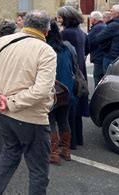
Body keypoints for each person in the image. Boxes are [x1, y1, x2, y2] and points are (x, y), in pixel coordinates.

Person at [0, 11, 56, 194]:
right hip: (31, 118)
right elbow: (42, 90)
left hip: (3, 114)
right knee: (38, 170)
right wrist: (7, 100)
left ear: (23, 25)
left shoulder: (2, 41)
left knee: (8, 155)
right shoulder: (46, 51)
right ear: (46, 30)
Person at [57, 6, 89, 149]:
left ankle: (71, 142)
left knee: (69, 111)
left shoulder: (66, 33)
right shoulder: (80, 32)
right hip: (80, 71)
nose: (58, 20)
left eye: (60, 17)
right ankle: (78, 138)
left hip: (72, 73)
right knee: (76, 110)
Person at [46, 20, 75, 165]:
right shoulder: (67, 47)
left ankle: (53, 154)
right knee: (63, 120)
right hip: (67, 90)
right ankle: (66, 150)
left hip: (52, 90)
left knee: (50, 121)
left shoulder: (45, 49)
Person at [96, 4, 119, 72]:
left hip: (113, 57)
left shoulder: (114, 25)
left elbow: (99, 38)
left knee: (109, 78)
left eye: (112, 11)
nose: (110, 13)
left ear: (117, 13)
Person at [87, 11, 106, 87]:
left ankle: (98, 96)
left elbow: (89, 42)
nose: (90, 20)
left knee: (98, 78)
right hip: (102, 55)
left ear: (94, 19)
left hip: (98, 56)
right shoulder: (103, 26)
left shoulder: (96, 29)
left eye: (91, 18)